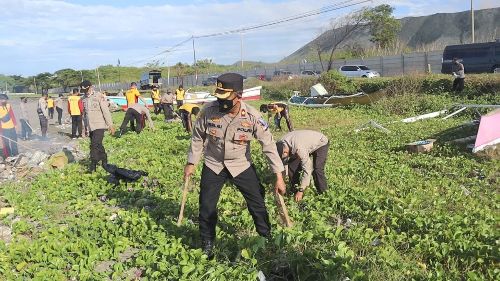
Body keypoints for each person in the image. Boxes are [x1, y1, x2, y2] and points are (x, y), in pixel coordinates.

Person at [184, 73, 286, 259]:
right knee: (206, 206)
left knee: (257, 202)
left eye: (225, 97)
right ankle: (207, 242)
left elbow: (269, 145)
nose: (220, 101)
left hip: (241, 165)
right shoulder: (208, 111)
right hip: (214, 164)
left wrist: (278, 176)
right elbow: (198, 136)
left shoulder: (253, 116)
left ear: (239, 96)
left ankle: (266, 237)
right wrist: (191, 162)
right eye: (218, 96)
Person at [276, 130, 329, 202]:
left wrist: (301, 190)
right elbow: (284, 164)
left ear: (285, 151)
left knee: (317, 169)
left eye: (285, 155)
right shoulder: (279, 144)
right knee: (292, 168)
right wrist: (281, 180)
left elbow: (307, 169)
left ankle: (324, 195)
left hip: (320, 142)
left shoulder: (299, 148)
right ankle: (294, 191)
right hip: (303, 142)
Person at [81, 80, 115, 172]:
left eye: (86, 89)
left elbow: (105, 111)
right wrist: (84, 128)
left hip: (100, 125)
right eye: (83, 90)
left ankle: (93, 166)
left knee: (94, 145)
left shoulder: (99, 96)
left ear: (91, 87)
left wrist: (110, 125)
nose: (85, 92)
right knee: (98, 145)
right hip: (90, 126)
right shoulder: (83, 99)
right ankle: (104, 161)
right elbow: (84, 115)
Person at [0, 94, 18, 158]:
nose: (5, 101)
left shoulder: (8, 105)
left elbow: (12, 115)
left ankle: (15, 154)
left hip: (12, 127)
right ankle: (9, 156)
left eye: (6, 100)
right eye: (3, 100)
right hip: (4, 128)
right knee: (6, 143)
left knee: (14, 141)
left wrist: (15, 124)